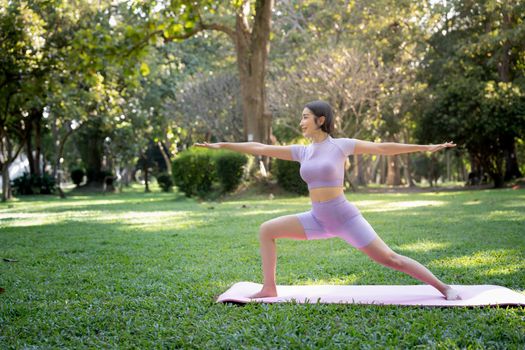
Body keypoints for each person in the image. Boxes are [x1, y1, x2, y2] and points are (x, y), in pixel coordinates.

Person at [195, 100, 461, 300]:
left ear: (321, 120)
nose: (301, 122)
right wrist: (223, 145)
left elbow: (382, 148)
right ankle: (268, 287)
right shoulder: (302, 152)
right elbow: (261, 148)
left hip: (344, 217)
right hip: (317, 219)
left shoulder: (341, 145)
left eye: (305, 117)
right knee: (267, 230)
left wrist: (425, 147)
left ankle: (444, 287)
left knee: (391, 259)